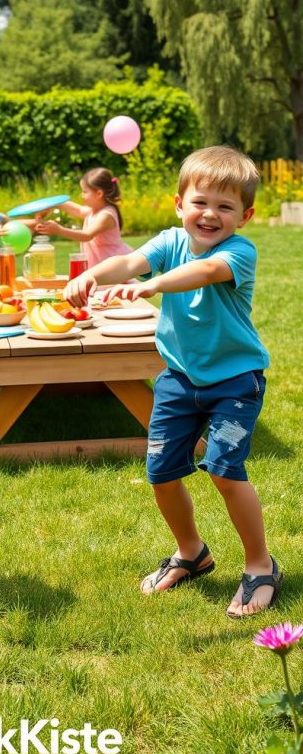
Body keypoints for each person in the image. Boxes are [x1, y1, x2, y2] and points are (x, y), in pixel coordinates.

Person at [64, 145, 281, 619]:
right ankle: (192, 553)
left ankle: (261, 566)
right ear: (179, 204)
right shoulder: (168, 241)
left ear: (245, 215)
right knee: (162, 472)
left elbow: (203, 272)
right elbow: (127, 263)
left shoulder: (239, 252)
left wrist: (155, 285)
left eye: (225, 207)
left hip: (235, 381)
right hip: (179, 380)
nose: (210, 214)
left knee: (224, 470)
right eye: (200, 202)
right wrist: (91, 276)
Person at [35, 168, 133, 267]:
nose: (81, 195)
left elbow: (87, 235)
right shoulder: (94, 211)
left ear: (99, 194)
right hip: (102, 266)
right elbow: (78, 210)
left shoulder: (106, 215)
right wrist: (52, 204)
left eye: (85, 192)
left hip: (114, 266)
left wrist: (59, 230)